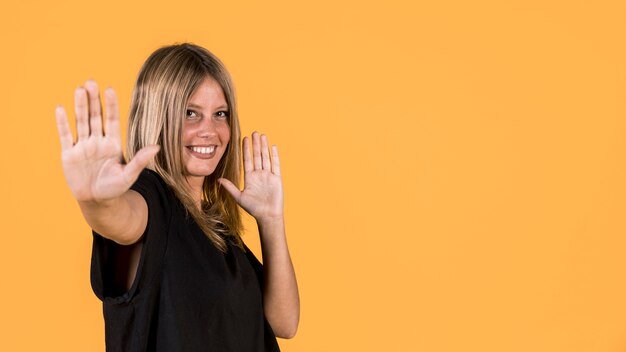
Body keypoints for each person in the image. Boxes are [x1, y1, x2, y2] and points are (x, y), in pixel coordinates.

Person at [54, 43, 299, 351]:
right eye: (190, 113)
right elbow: (121, 221)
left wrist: (271, 220)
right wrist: (96, 201)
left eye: (219, 114)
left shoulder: (216, 227)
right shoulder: (151, 199)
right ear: (157, 117)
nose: (209, 130)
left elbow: (284, 323)